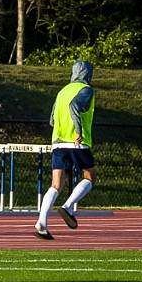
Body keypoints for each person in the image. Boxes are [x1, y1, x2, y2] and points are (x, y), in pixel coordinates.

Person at [34, 60, 96, 239]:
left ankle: (42, 223)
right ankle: (68, 207)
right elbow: (75, 106)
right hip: (76, 141)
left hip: (58, 142)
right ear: (88, 74)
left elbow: (52, 119)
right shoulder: (86, 89)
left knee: (56, 184)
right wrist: (77, 130)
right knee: (90, 175)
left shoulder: (62, 91)